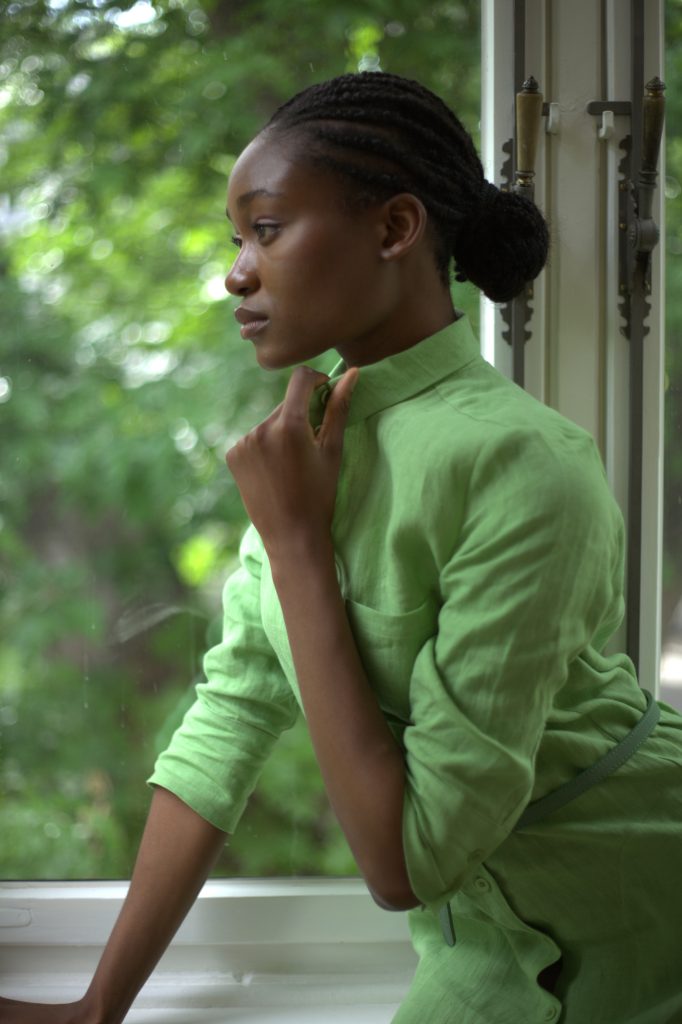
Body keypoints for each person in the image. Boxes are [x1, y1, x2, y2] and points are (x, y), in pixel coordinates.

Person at [2, 70, 681, 1024]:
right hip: (480, 960)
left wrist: (300, 554)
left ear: (395, 229)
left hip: (645, 927)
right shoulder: (306, 449)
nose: (236, 272)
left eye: (267, 230)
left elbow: (410, 863)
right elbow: (227, 723)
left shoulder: (528, 466)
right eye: (238, 239)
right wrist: (94, 1009)